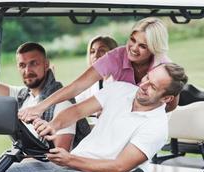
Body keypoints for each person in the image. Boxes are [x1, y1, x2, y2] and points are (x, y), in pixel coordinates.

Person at [0, 63, 188, 172]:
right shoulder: (119, 90)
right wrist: (53, 126)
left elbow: (118, 169)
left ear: (166, 98)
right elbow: (76, 110)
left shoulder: (156, 126)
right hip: (75, 166)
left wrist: (70, 160)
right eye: (146, 77)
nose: (143, 85)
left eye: (152, 86)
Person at [18, 17, 178, 123]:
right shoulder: (116, 56)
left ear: (154, 48)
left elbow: (170, 106)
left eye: (142, 46)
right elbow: (76, 87)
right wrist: (40, 107)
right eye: (132, 40)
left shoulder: (164, 68)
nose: (133, 49)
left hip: (149, 119)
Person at [0, 42, 76, 172]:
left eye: (33, 63)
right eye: (22, 65)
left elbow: (58, 158)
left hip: (44, 168)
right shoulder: (21, 95)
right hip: (15, 159)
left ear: (46, 65)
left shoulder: (62, 103)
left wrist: (16, 160)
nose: (27, 70)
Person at [75, 35, 118, 103]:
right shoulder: (88, 82)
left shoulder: (120, 80)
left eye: (102, 50)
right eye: (92, 51)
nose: (96, 55)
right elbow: (76, 101)